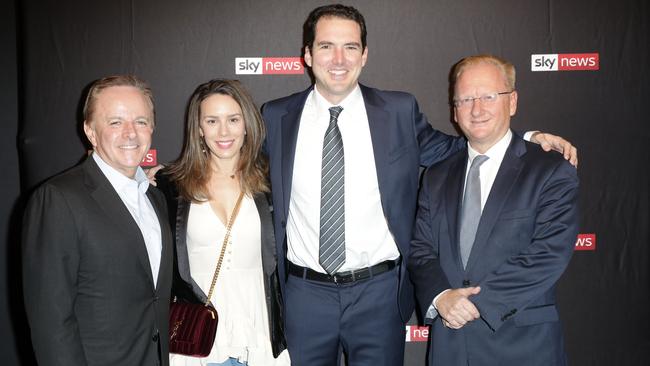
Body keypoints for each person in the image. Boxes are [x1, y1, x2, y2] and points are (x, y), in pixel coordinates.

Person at [260, 4, 578, 366]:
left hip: (377, 295)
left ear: (364, 55)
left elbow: (464, 146)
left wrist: (527, 137)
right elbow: (242, 169)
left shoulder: (397, 111)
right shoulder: (277, 116)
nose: (338, 59)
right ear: (307, 54)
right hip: (305, 293)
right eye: (325, 46)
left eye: (350, 47)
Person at [408, 55, 579, 366]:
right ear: (454, 110)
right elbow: (421, 250)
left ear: (512, 102)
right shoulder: (436, 175)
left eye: (489, 96)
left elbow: (549, 252)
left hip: (522, 345)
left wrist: (477, 305)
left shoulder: (550, 170)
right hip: (451, 346)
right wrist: (441, 297)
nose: (477, 108)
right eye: (466, 99)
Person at [22, 75, 173, 366]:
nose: (130, 133)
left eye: (141, 121)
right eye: (115, 122)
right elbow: (51, 322)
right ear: (90, 131)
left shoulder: (156, 199)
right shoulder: (58, 199)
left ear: (152, 128)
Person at [155, 79, 289, 366]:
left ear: (246, 124)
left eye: (233, 119)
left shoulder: (273, 182)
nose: (224, 131)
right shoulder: (172, 186)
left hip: (259, 337)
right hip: (198, 339)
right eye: (212, 120)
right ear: (199, 129)